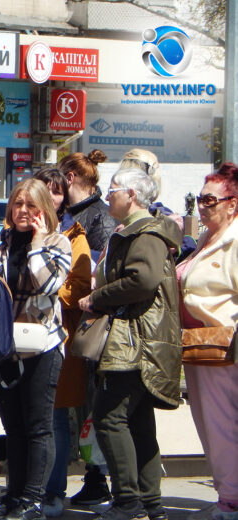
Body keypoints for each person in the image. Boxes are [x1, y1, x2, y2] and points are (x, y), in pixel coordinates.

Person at [78, 168, 182, 520]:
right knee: (137, 422)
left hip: (135, 342)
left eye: (113, 190)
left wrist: (98, 297)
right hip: (139, 340)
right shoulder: (140, 232)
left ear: (132, 195)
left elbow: (143, 279)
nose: (107, 196)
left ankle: (129, 503)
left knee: (110, 418)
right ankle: (149, 505)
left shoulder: (145, 234)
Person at [0, 178, 72, 520]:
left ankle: (33, 499)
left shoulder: (58, 243)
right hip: (3, 347)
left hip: (41, 345)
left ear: (44, 210)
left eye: (32, 206)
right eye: (18, 204)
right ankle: (14, 494)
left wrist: (37, 243)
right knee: (13, 427)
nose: (23, 212)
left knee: (38, 425)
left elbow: (46, 284)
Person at [178, 163, 238, 520]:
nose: (202, 206)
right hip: (202, 345)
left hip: (224, 345)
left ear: (233, 203)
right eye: (198, 199)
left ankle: (230, 498)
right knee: (215, 423)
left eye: (210, 200)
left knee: (220, 425)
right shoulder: (207, 238)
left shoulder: (233, 240)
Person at [57, 149, 115, 506]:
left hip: (89, 323)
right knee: (76, 405)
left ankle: (98, 480)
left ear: (71, 178)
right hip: (69, 322)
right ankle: (88, 477)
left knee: (91, 406)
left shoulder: (99, 218)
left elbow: (101, 270)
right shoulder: (71, 213)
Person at [33, 169, 91, 518]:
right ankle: (24, 491)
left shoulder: (74, 233)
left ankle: (53, 492)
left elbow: (80, 285)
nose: (52, 199)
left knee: (54, 418)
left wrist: (45, 291)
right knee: (24, 416)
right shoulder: (16, 230)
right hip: (20, 337)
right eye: (46, 191)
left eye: (57, 193)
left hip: (59, 336)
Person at [59, 150, 116, 259]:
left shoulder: (103, 217)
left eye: (58, 178)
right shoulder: (64, 212)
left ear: (69, 178)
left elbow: (104, 263)